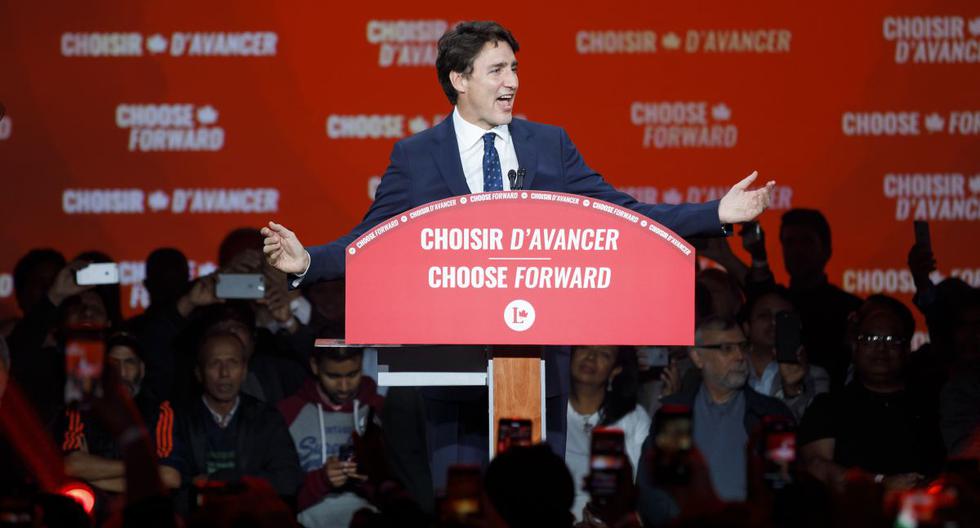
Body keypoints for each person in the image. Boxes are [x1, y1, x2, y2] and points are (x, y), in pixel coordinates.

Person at [260, 21, 775, 286]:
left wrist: (716, 213)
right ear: (458, 80)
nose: (512, 84)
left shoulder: (548, 145)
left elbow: (623, 215)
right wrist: (307, 260)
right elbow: (370, 242)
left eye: (515, 70)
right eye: (497, 71)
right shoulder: (416, 157)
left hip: (538, 348)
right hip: (448, 357)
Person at [635, 315, 793, 526]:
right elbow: (650, 489)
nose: (739, 356)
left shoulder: (771, 414)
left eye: (742, 346)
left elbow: (786, 491)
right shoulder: (672, 414)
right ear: (697, 357)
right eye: (726, 348)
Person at [798, 295, 946, 491]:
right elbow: (817, 466)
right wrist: (880, 483)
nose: (881, 348)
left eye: (891, 340)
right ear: (855, 348)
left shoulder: (931, 405)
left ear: (907, 350)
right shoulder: (828, 407)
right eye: (870, 339)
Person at [162, 329, 303, 506]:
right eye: (215, 364)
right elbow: (169, 482)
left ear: (244, 371)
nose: (225, 373)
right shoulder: (177, 417)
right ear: (198, 372)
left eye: (233, 363)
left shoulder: (266, 418)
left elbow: (288, 480)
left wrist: (218, 482)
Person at [277, 346, 387, 528]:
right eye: (333, 376)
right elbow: (278, 496)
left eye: (353, 374)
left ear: (362, 364)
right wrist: (322, 480)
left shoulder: (381, 411)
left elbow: (400, 490)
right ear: (314, 366)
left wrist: (366, 479)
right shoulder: (287, 413)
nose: (344, 387)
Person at [61, 332, 180, 493]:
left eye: (129, 362)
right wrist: (143, 466)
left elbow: (170, 477)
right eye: (113, 363)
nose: (122, 372)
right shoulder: (81, 409)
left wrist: (93, 476)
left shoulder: (160, 411)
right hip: (95, 509)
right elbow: (70, 466)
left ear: (142, 369)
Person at [565, 346, 649, 522]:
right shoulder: (547, 412)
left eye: (604, 354)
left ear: (615, 370)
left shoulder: (634, 419)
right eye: (585, 347)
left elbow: (646, 491)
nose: (591, 356)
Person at [742, 287, 829, 421]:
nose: (774, 322)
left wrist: (793, 391)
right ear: (747, 328)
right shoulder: (730, 367)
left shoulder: (815, 376)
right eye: (764, 315)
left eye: (783, 316)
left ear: (798, 325)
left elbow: (812, 430)